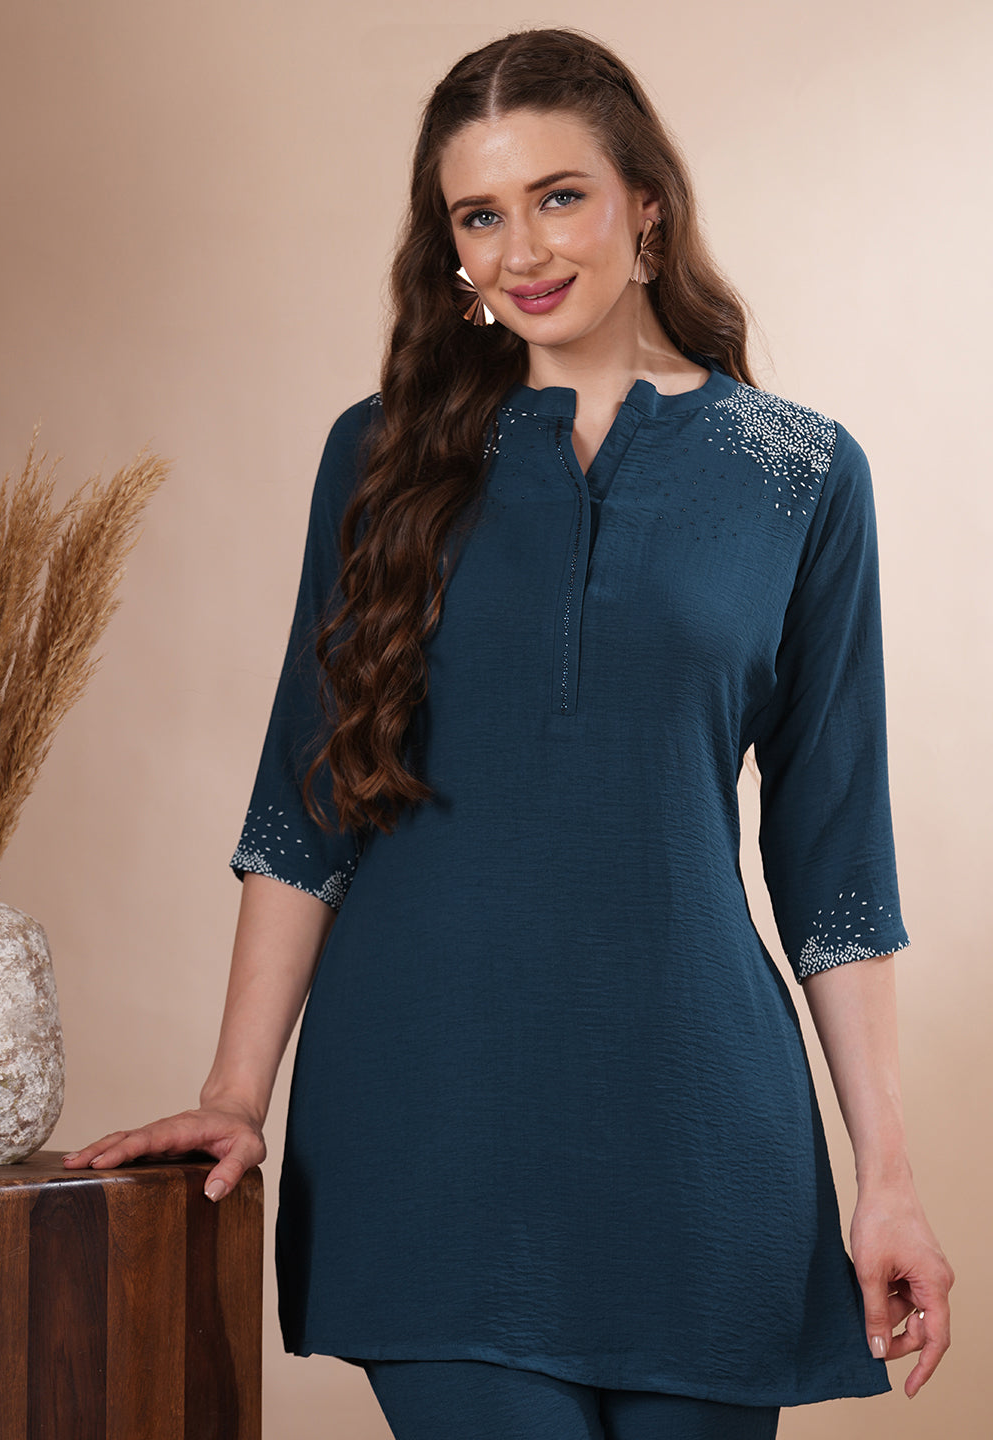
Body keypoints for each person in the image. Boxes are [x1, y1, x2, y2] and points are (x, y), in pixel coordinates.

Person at [64, 27, 954, 1439]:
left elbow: (835, 864)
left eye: (559, 196)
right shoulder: (379, 456)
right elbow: (308, 801)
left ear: (645, 203)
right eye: (479, 216)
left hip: (699, 1134)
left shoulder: (800, 473)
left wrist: (886, 1178)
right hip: (429, 1121)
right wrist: (236, 1092)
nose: (521, 250)